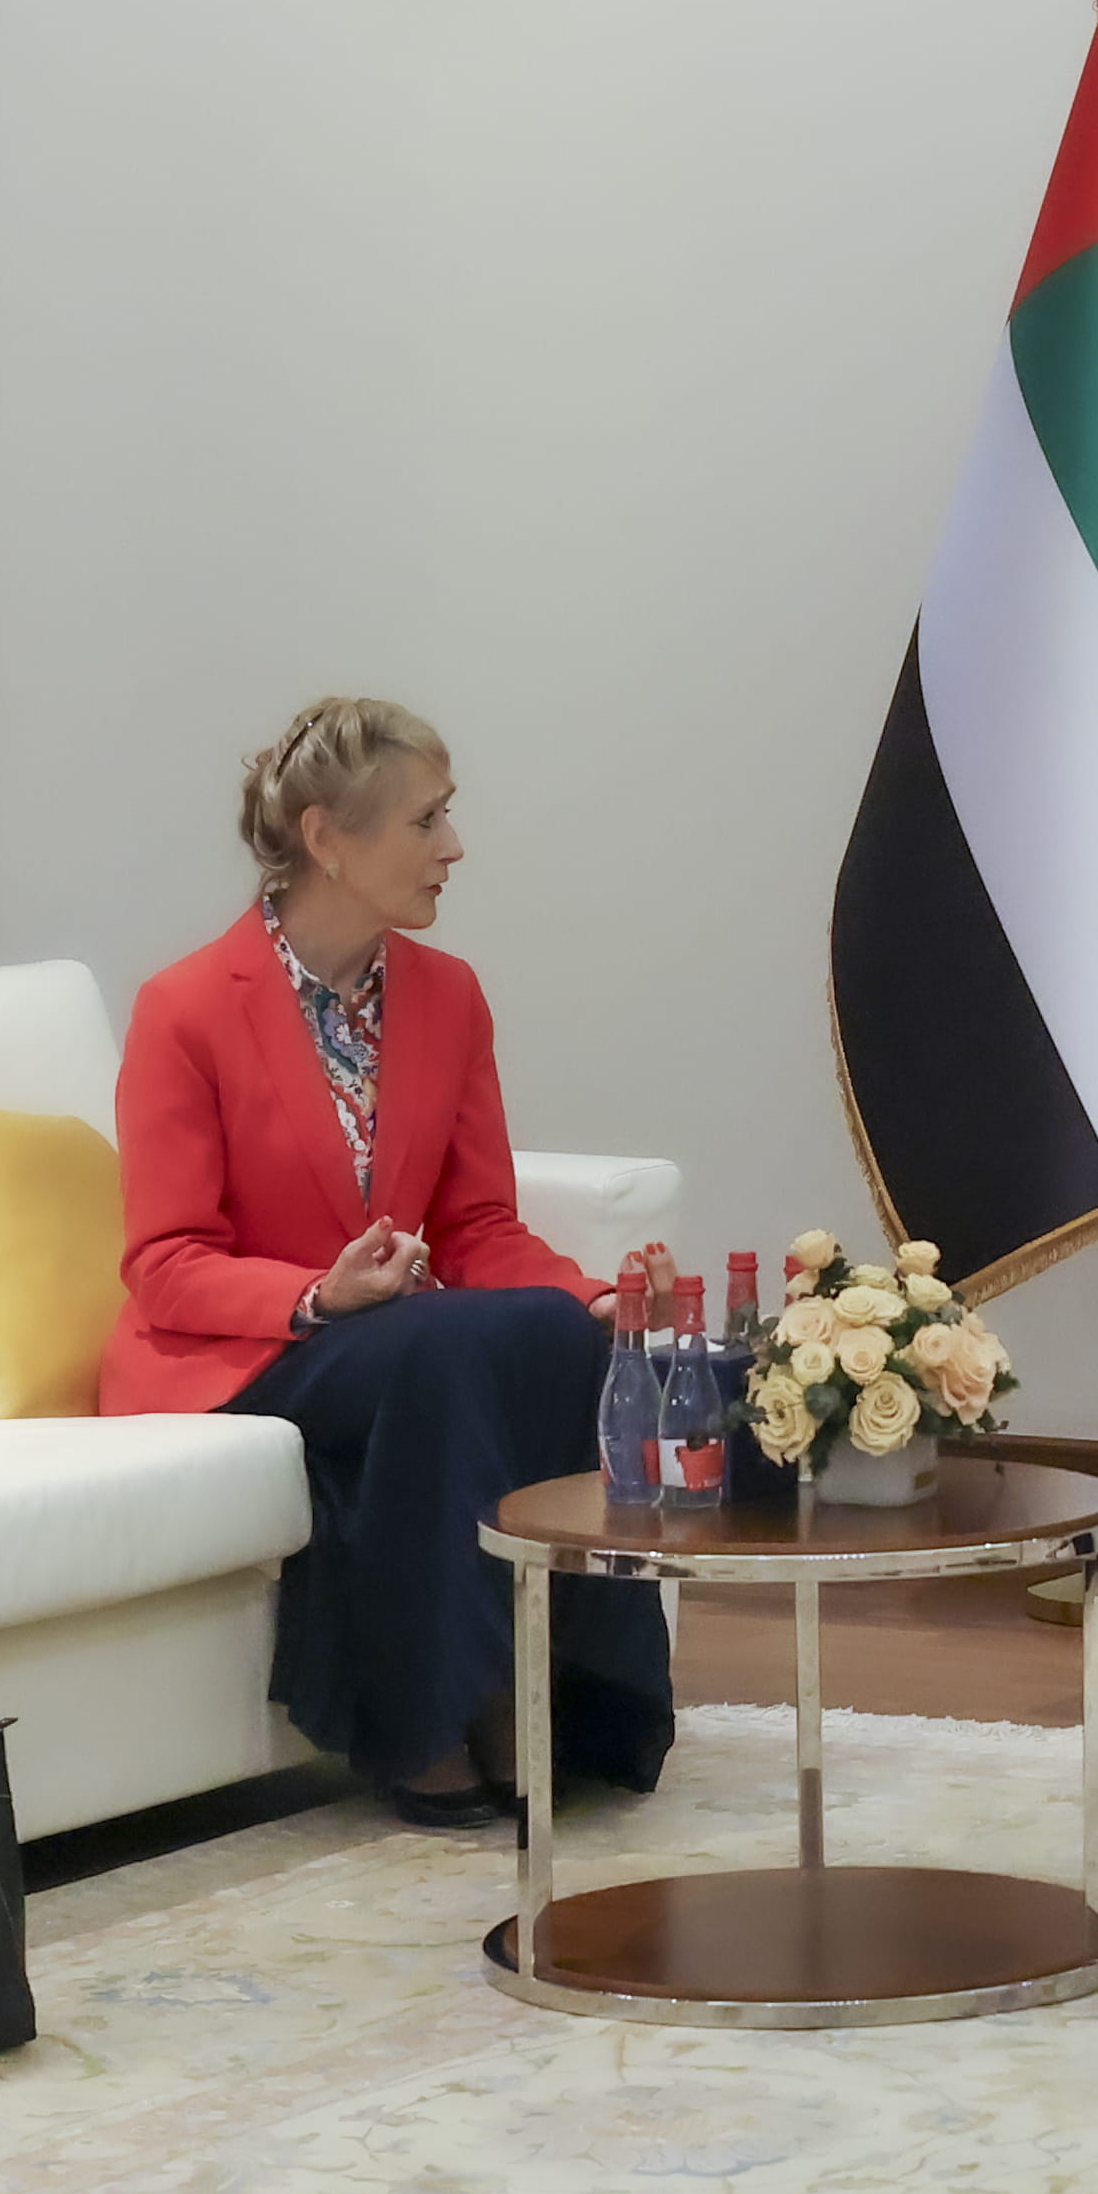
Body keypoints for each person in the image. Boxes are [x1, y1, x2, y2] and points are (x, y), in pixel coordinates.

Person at [110, 696, 672, 1835]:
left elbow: (477, 1226)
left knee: (553, 1335)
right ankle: (432, 1718)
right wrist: (319, 1295)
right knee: (443, 1347)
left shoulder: (448, 996)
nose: (452, 847)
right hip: (245, 1351)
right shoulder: (184, 1009)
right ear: (326, 838)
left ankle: (561, 1694)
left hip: (402, 1341)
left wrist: (591, 1294)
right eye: (426, 821)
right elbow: (165, 1264)